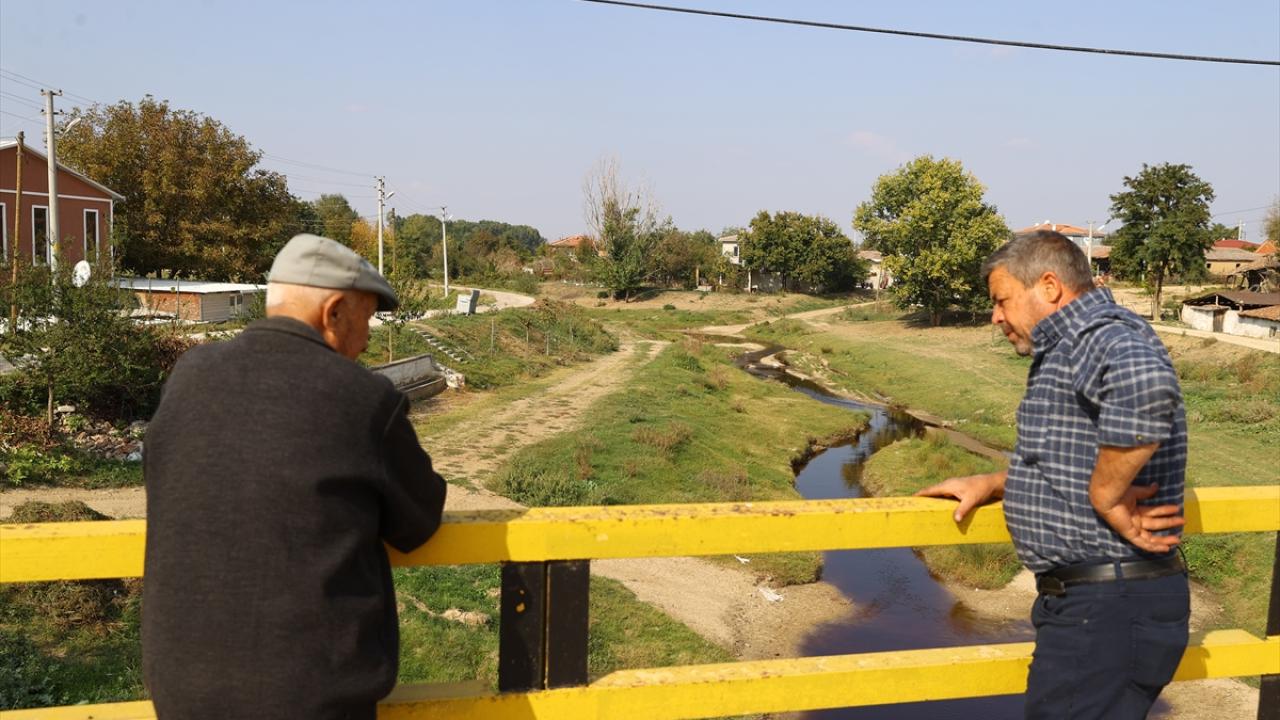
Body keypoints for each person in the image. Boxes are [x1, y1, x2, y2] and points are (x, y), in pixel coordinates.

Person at [142, 234, 447, 720]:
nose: (366, 340)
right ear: (334, 313)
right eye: (366, 318)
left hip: (181, 688)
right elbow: (419, 520)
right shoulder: (363, 398)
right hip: (311, 696)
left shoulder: (190, 373)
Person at [918, 230, 1189, 719]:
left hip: (1107, 606)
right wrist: (999, 483)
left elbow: (1147, 388)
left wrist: (1107, 494)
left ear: (1048, 286)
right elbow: (1071, 452)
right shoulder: (1075, 342)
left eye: (1001, 300)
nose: (995, 316)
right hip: (1101, 606)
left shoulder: (1095, 335)